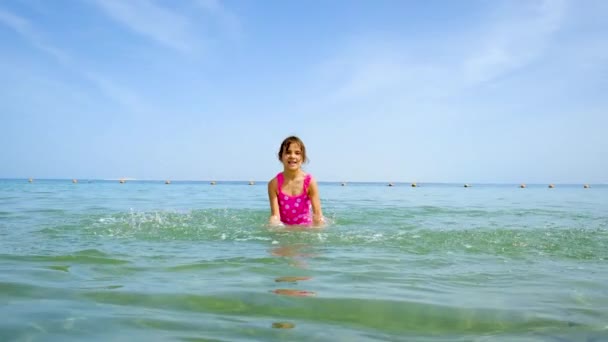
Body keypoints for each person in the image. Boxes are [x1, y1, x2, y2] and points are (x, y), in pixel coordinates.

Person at [268, 136, 324, 227]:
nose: (292, 156)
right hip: (285, 228)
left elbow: (317, 214)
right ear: (280, 156)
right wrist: (273, 228)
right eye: (288, 152)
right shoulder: (273, 184)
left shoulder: (310, 182)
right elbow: (275, 216)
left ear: (303, 158)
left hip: (306, 229)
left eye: (297, 153)